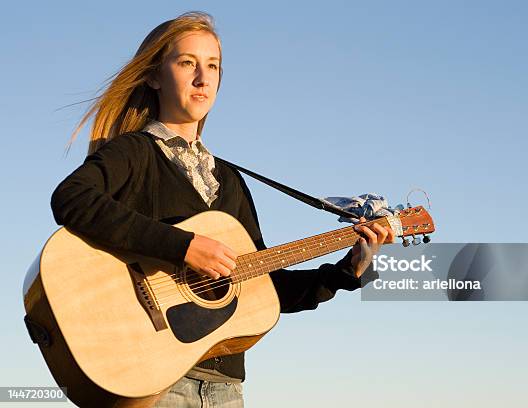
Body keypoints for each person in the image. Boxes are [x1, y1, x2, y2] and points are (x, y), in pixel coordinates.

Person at [50, 11, 394, 407]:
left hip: (226, 390)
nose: (203, 78)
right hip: (159, 380)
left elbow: (267, 289)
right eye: (187, 63)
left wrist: (348, 270)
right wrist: (184, 247)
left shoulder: (230, 181)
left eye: (212, 66)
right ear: (154, 76)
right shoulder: (134, 153)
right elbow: (71, 198)